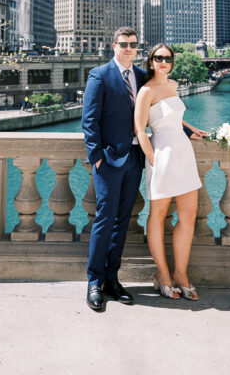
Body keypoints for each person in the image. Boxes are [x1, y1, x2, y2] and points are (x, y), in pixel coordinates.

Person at [133, 43, 207, 300]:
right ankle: (163, 275)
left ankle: (181, 275)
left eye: (168, 58)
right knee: (158, 215)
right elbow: (141, 130)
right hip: (161, 154)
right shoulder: (146, 91)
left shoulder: (173, 85)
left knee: (188, 217)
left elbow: (175, 116)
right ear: (151, 62)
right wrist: (153, 160)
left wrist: (192, 129)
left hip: (184, 153)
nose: (164, 61)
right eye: (159, 58)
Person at [81, 26, 146, 312]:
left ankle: (112, 279)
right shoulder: (100, 75)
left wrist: (187, 129)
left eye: (133, 44)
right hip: (108, 160)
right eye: (124, 44)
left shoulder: (143, 77)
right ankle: (94, 282)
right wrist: (96, 158)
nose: (129, 48)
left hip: (135, 158)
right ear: (114, 46)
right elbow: (89, 120)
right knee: (104, 220)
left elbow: (157, 113)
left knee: (122, 221)